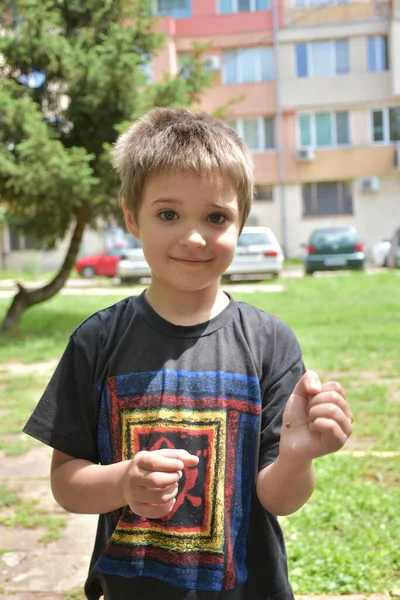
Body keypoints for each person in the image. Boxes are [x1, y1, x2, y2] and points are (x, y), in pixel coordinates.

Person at [23, 107, 353, 600]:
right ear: (132, 217)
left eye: (216, 217)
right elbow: (67, 483)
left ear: (240, 223)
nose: (194, 236)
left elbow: (278, 499)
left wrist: (297, 457)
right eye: (168, 214)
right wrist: (123, 483)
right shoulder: (96, 341)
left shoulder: (271, 342)